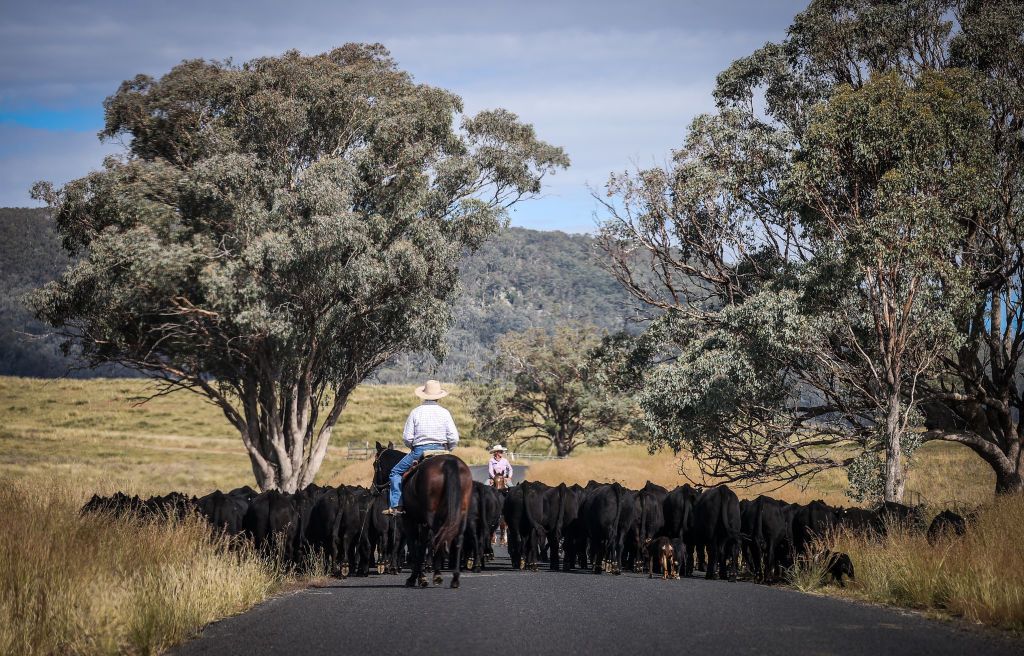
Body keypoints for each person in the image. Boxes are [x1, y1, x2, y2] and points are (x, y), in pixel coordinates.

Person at [383, 380, 459, 515]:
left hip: (420, 450)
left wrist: (413, 447)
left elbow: (407, 438)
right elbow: (454, 438)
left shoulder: (415, 412)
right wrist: (449, 449)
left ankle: (397, 505)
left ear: (424, 395)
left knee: (395, 472)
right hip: (442, 450)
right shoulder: (445, 412)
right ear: (438, 396)